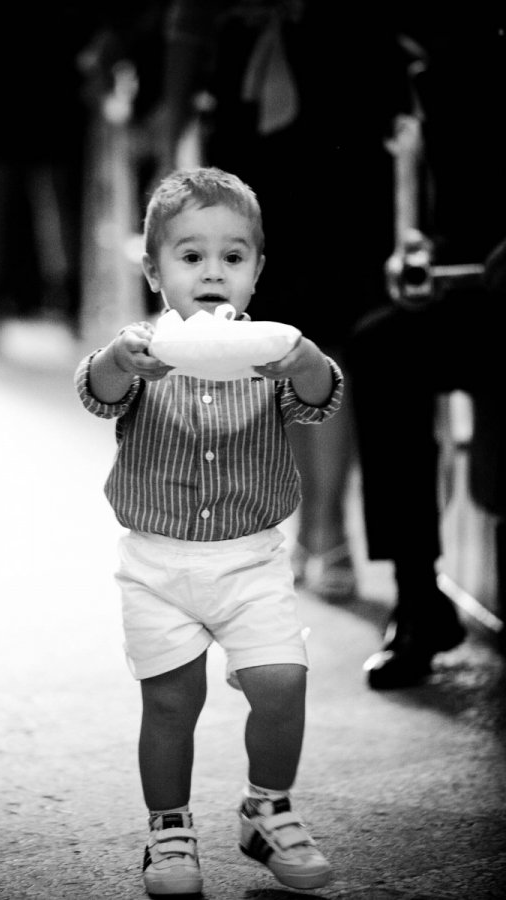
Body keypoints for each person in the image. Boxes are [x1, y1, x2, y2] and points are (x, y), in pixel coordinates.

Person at [74, 167, 343, 895]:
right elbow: (97, 395)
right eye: (190, 256)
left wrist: (311, 362)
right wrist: (114, 362)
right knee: (171, 702)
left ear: (257, 270)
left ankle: (268, 808)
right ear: (155, 271)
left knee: (282, 684)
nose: (213, 272)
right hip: (158, 564)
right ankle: (169, 827)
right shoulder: (141, 349)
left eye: (234, 256)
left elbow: (320, 401)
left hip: (252, 559)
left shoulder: (270, 352)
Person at [155, 0, 413, 599]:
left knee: (338, 330)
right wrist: (171, 151)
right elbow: (188, 25)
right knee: (273, 334)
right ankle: (309, 523)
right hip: (249, 137)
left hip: (344, 120)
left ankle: (328, 525)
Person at [347, 8, 506, 689]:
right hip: (473, 294)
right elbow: (456, 218)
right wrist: (419, 256)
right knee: (381, 348)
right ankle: (419, 596)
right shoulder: (434, 72)